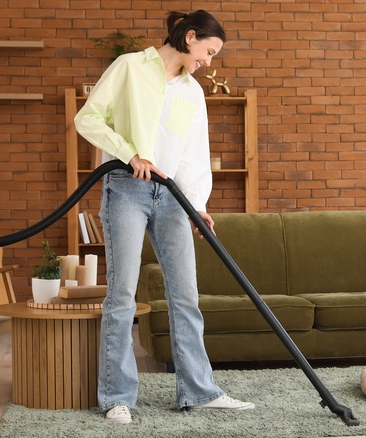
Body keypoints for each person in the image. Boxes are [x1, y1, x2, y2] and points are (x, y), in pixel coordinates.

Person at [75, 10, 254, 425]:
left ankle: (198, 391)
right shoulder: (129, 67)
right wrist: (130, 154)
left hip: (173, 198)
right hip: (127, 189)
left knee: (185, 296)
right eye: (208, 51)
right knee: (121, 295)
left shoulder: (193, 92)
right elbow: (87, 119)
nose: (209, 62)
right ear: (190, 37)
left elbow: (193, 153)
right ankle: (116, 397)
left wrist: (198, 204)